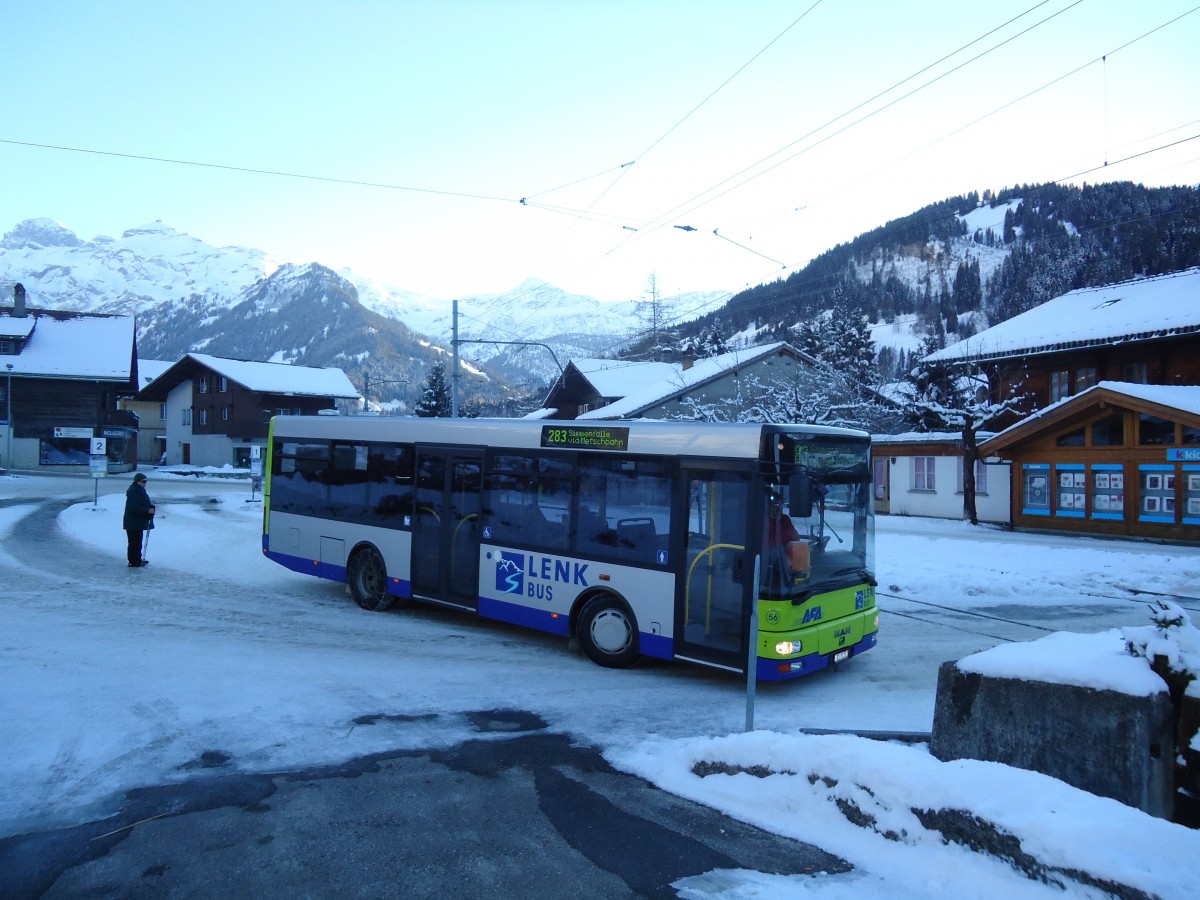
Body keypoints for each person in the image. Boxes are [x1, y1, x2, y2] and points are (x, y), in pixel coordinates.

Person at [123, 473, 156, 567]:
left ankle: (136, 559)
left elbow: (143, 503)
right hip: (133, 522)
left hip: (136, 521)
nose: (145, 483)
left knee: (137, 542)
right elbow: (134, 507)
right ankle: (134, 561)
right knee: (134, 542)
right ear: (138, 481)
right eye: (143, 481)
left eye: (146, 481)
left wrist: (150, 507)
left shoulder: (139, 490)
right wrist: (147, 511)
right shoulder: (134, 491)